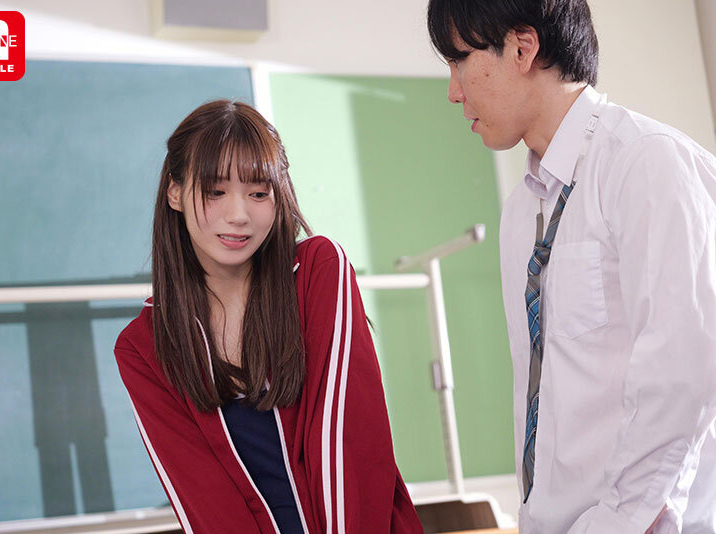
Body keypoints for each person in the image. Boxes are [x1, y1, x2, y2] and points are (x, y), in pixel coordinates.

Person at [427, 1, 716, 532]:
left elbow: (683, 376)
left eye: (460, 60)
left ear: (522, 48)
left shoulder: (645, 162)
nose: (453, 91)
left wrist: (614, 523)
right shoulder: (522, 211)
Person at [113, 100, 423, 534]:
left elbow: (350, 445)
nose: (239, 215)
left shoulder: (317, 272)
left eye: (258, 193)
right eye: (215, 191)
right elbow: (204, 502)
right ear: (175, 192)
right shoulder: (143, 346)